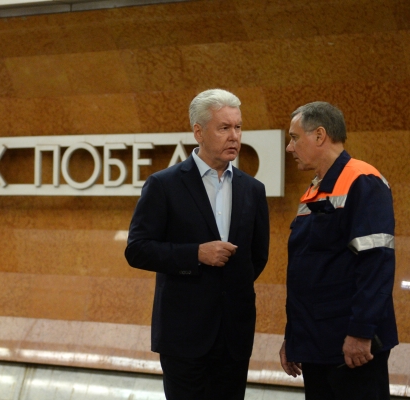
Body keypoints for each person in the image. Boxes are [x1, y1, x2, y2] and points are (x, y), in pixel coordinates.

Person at [125, 88, 269, 400]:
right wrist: (196, 254)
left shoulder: (253, 189)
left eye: (238, 127)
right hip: (183, 336)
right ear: (198, 132)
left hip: (234, 337)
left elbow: (257, 257)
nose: (234, 136)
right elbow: (137, 249)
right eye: (224, 127)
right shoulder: (164, 184)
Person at [279, 101, 398, 400]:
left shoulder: (363, 180)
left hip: (351, 346)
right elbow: (308, 271)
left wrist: (360, 332)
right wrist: (294, 338)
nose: (289, 148)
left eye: (294, 138)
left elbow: (376, 263)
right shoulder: (314, 189)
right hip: (317, 343)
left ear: (320, 135)